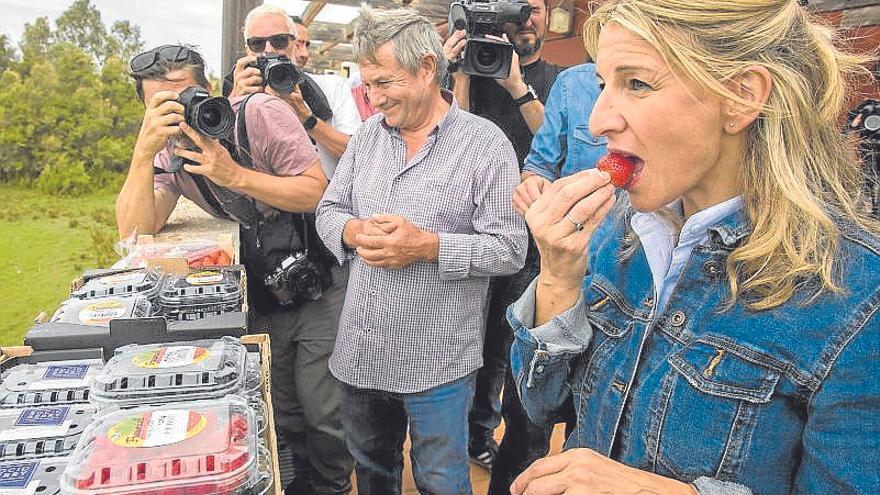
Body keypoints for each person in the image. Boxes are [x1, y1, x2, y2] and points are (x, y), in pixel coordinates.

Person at [507, 1, 880, 494]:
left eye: (636, 83)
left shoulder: (857, 296)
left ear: (741, 97)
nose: (597, 122)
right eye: (603, 86)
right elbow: (544, 405)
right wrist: (558, 274)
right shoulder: (620, 232)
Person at [115, 44, 352, 495]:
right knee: (277, 406)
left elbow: (317, 192)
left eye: (188, 97)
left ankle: (333, 487)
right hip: (263, 286)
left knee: (325, 410)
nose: (180, 114)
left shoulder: (259, 113)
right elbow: (135, 229)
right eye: (161, 106)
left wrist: (233, 174)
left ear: (208, 91)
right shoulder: (168, 150)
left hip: (318, 277)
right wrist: (143, 152)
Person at [315, 6, 527, 495]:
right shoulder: (367, 137)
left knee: (441, 480)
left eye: (385, 83)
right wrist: (352, 232)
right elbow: (329, 211)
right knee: (372, 472)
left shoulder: (485, 145)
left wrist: (428, 245)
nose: (374, 98)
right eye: (367, 85)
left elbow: (511, 250)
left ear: (428, 69)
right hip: (361, 354)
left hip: (436, 361)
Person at [443, 0, 565, 487]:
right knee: (468, 344)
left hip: (533, 241)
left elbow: (558, 143)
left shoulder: (562, 81)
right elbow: (453, 140)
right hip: (474, 232)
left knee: (511, 349)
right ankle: (468, 435)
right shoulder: (466, 76)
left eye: (530, 8)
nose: (522, 22)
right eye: (513, 13)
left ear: (546, 16)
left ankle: (504, 438)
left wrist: (516, 86)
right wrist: (462, 73)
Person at [225, 5, 357, 178]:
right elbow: (221, 161)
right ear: (247, 49)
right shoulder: (240, 90)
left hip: (325, 200)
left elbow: (359, 154)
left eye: (279, 40)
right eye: (257, 43)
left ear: (295, 44)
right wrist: (233, 104)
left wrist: (307, 118)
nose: (269, 50)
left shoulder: (331, 87)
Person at [512, 63, 607, 216]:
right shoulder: (571, 83)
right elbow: (539, 168)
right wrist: (534, 187)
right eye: (603, 85)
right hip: (586, 234)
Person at [286, 14, 362, 177]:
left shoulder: (334, 85)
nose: (305, 54)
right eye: (296, 44)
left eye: (306, 44)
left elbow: (356, 152)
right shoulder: (251, 88)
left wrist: (308, 119)